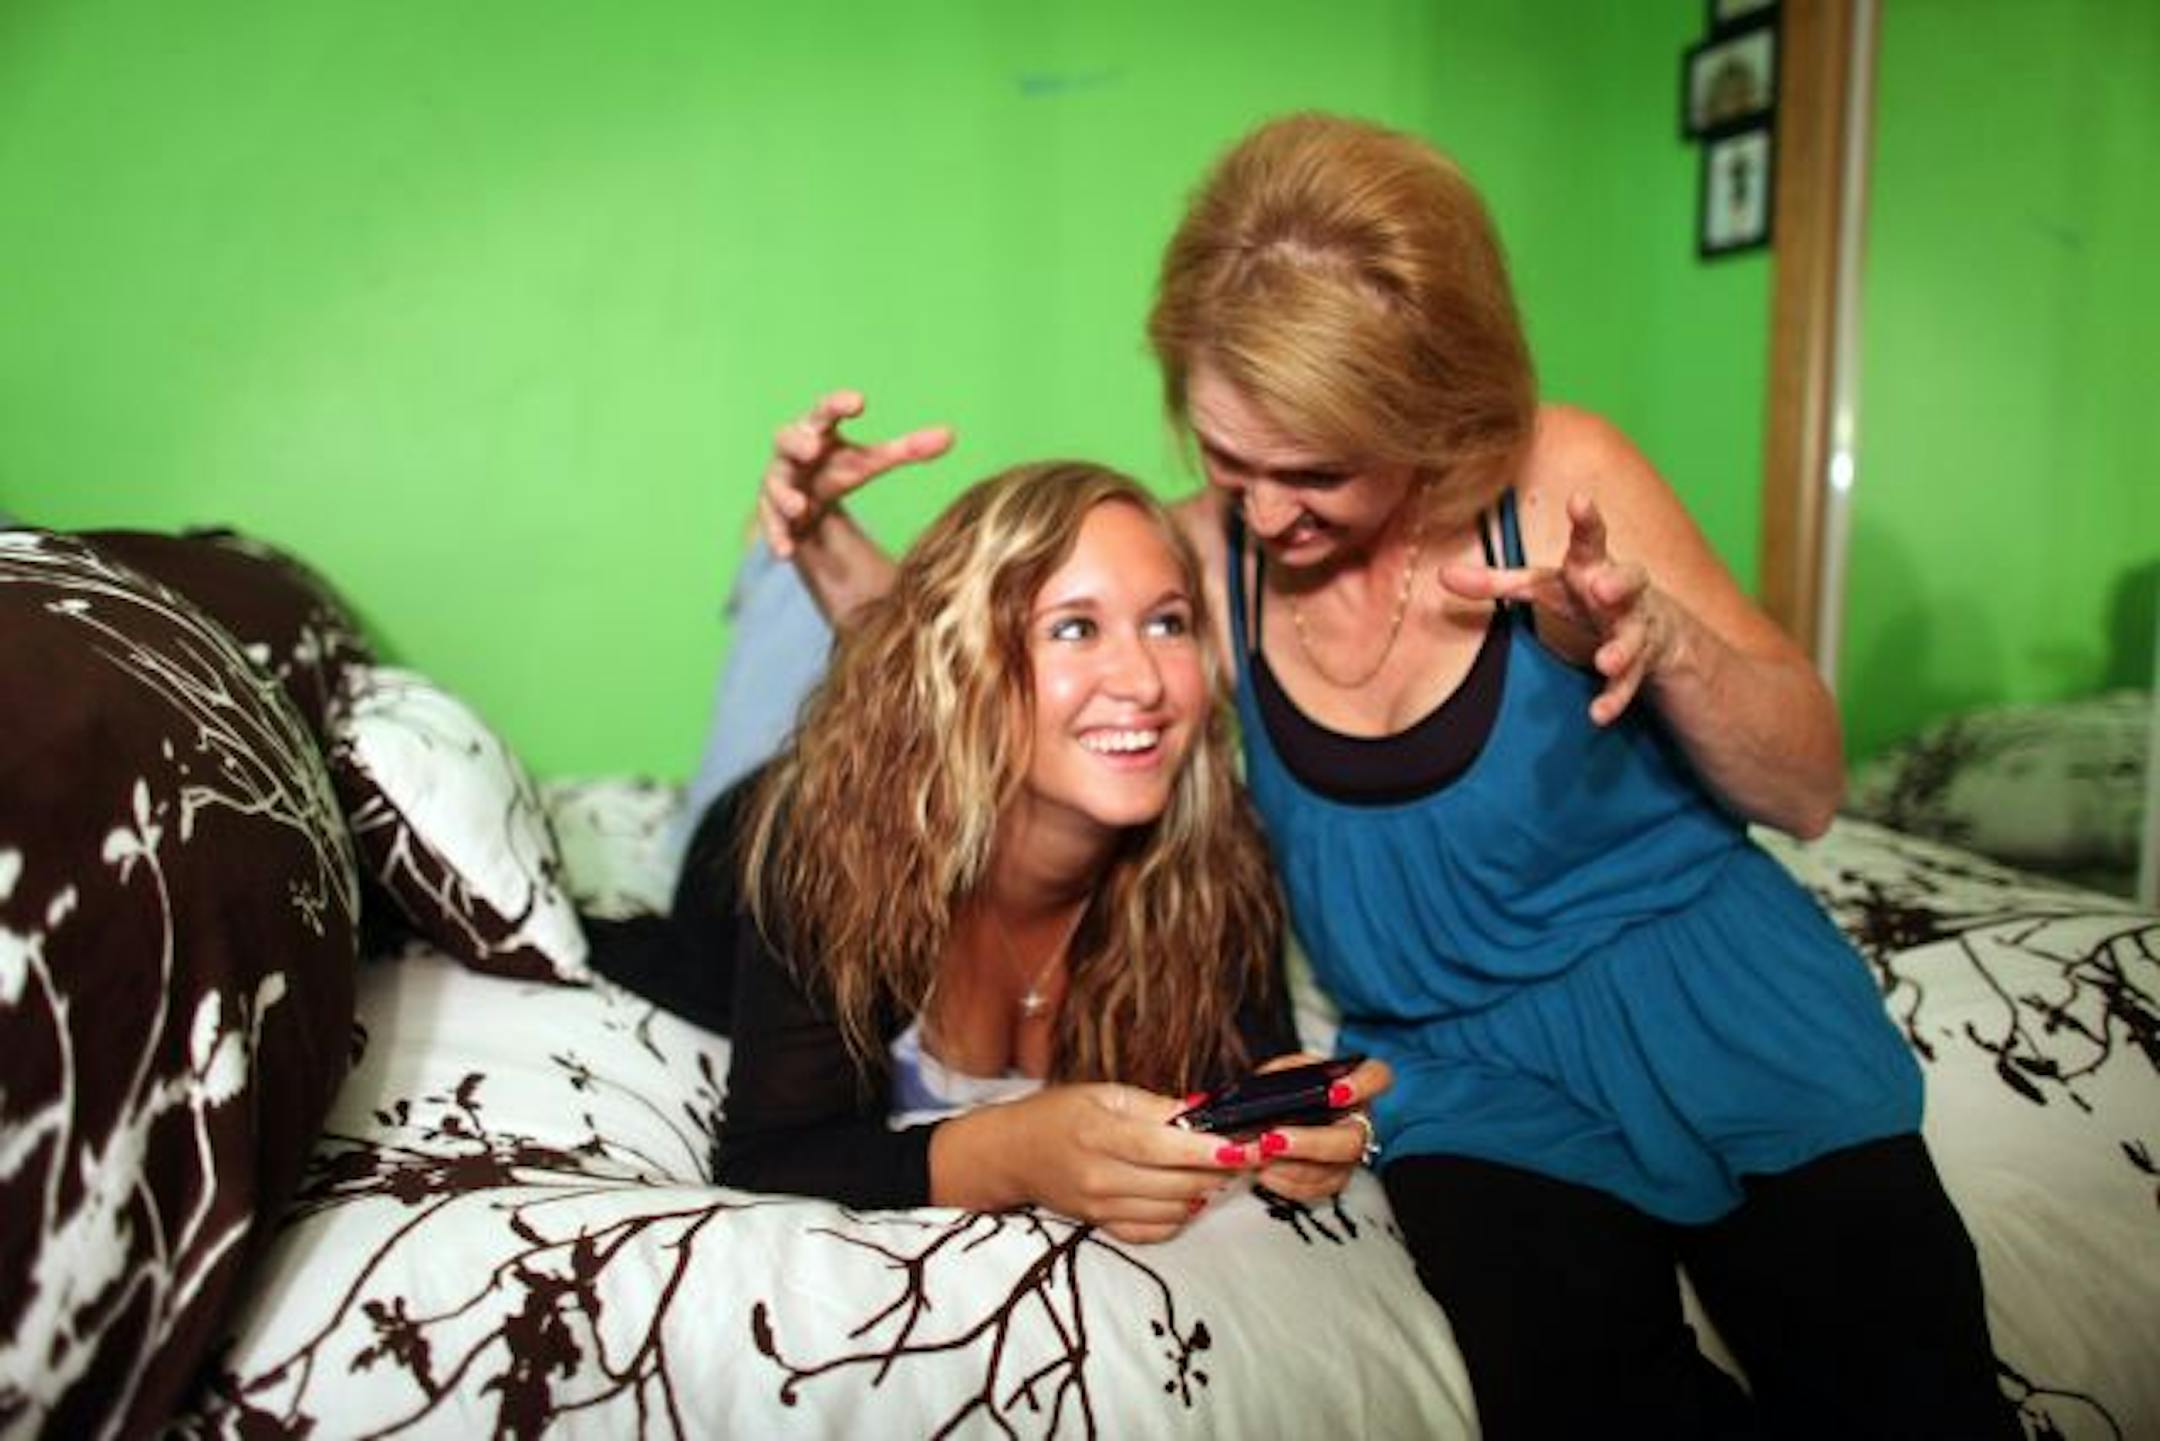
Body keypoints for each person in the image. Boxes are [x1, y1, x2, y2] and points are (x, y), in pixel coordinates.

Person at [755, 115, 2016, 1437]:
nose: (1266, 513)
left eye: (1318, 472)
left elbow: (1810, 786)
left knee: (1911, 1395)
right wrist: (823, 544)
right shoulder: (1212, 557)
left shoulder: (1559, 476)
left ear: (1433, 414)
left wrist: (1670, 645)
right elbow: (1001, 675)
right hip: (1457, 1073)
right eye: (1227, 460)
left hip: (1715, 1008)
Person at [592, 459, 1390, 1243]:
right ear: (966, 663)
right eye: (1074, 626)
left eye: (1167, 621)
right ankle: (782, 572)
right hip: (755, 822)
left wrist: (1299, 1126)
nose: (1144, 680)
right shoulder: (820, 841)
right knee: (800, 670)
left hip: (961, 728)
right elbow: (769, 1157)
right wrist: (1013, 1152)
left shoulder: (1219, 844)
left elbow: (1246, 1077)